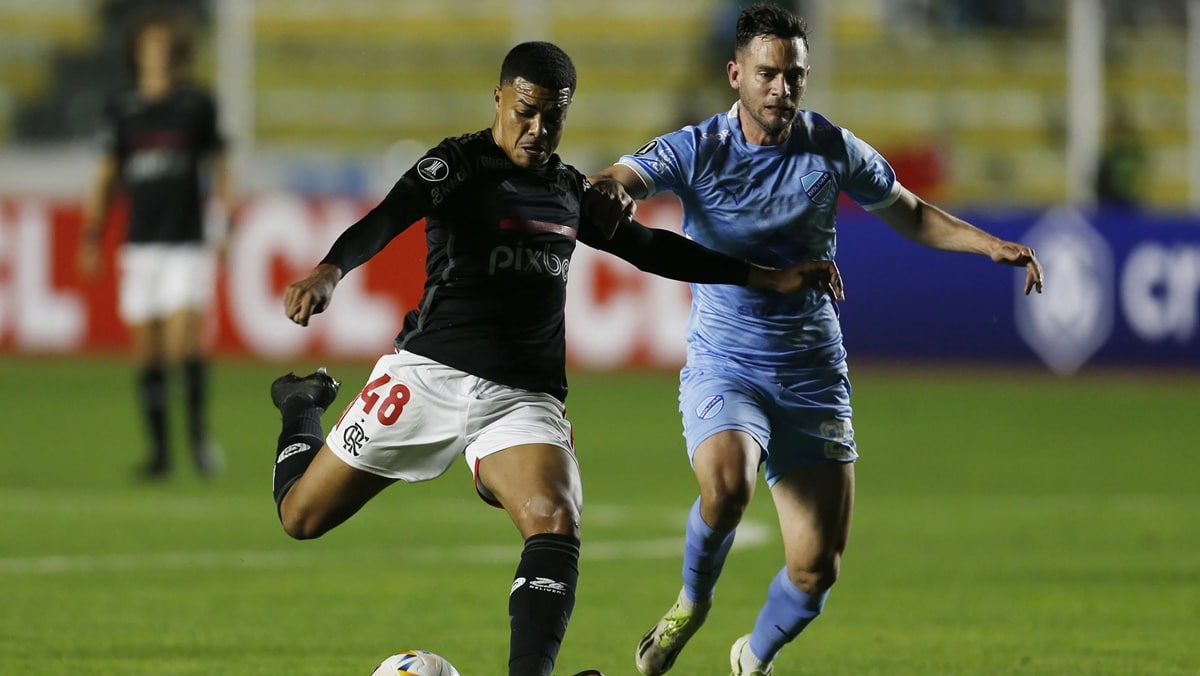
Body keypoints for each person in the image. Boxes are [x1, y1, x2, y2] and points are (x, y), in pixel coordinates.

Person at [268, 41, 843, 676]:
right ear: (499, 99)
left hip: (523, 396)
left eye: (554, 116)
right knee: (300, 516)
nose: (539, 129)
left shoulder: (571, 191)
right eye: (526, 111)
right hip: (430, 374)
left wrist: (771, 277)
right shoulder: (457, 164)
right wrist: (329, 270)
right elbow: (388, 217)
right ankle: (299, 407)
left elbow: (656, 250)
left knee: (555, 518)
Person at [588, 4, 1045, 675]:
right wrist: (610, 194)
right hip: (727, 364)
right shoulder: (696, 147)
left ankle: (754, 656)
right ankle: (691, 604)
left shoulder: (831, 147)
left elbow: (910, 212)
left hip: (811, 375)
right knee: (726, 488)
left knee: (815, 571)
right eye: (768, 74)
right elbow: (620, 180)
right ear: (736, 73)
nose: (782, 88)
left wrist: (986, 245)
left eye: (794, 75)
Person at [77, 7, 233, 479]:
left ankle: (199, 442)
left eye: (164, 48)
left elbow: (222, 168)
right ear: (137, 53)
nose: (157, 55)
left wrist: (223, 225)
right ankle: (161, 455)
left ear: (176, 53)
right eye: (149, 47)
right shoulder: (123, 108)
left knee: (184, 347)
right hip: (140, 244)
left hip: (186, 242)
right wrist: (92, 233)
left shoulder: (196, 106)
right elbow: (106, 174)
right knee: (146, 355)